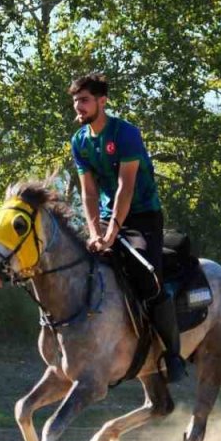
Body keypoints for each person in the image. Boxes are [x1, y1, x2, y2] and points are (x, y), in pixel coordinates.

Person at [68, 72, 186, 383]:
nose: (78, 107)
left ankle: (173, 354)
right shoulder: (79, 141)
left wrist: (111, 235)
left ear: (102, 101)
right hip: (106, 217)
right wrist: (95, 234)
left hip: (142, 216)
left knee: (149, 278)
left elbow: (125, 187)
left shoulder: (126, 134)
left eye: (84, 100)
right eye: (75, 101)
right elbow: (89, 193)